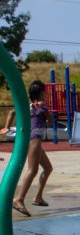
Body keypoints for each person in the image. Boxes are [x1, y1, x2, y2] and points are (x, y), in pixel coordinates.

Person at [6, 81, 54, 217]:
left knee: (48, 168)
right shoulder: (41, 108)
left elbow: (11, 112)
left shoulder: (28, 106)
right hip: (35, 139)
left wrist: (7, 127)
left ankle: (38, 197)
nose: (46, 94)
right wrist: (45, 110)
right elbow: (51, 121)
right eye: (44, 92)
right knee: (33, 170)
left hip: (32, 139)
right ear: (40, 93)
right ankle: (18, 199)